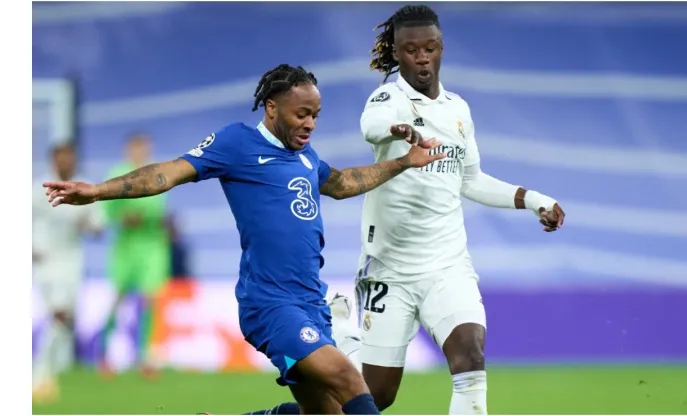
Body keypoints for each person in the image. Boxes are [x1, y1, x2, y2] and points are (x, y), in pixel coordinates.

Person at [43, 63, 444, 415]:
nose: (310, 124)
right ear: (272, 108)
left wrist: (405, 162)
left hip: (311, 303)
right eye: (302, 114)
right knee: (347, 377)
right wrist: (98, 191)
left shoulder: (305, 156)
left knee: (325, 412)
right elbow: (167, 172)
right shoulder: (237, 143)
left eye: (315, 116)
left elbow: (342, 183)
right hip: (271, 304)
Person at [350, 4, 567, 414]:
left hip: (446, 266)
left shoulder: (457, 110)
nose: (422, 57)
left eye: (429, 47)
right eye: (411, 49)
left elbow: (472, 181)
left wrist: (535, 200)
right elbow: (370, 124)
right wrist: (399, 130)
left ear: (441, 48)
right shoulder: (388, 97)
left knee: (470, 355)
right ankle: (345, 340)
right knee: (376, 397)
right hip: (389, 270)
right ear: (396, 53)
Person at [32, 143, 105, 403]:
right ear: (53, 159)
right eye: (62, 157)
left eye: (70, 157)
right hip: (44, 261)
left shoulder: (84, 187)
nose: (66, 162)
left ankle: (47, 374)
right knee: (59, 316)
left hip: (72, 263)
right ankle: (39, 375)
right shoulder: (38, 188)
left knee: (64, 319)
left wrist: (88, 224)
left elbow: (99, 226)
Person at [99, 133, 171, 379]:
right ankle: (105, 354)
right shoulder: (117, 173)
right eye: (136, 148)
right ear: (129, 150)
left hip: (151, 247)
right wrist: (122, 218)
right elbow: (107, 210)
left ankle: (146, 357)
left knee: (149, 300)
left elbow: (159, 212)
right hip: (125, 247)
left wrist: (156, 222)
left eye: (145, 148)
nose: (141, 152)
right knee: (118, 299)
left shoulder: (157, 174)